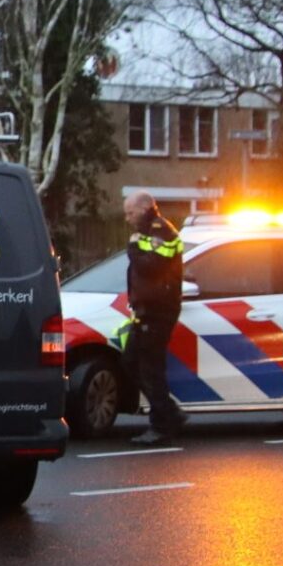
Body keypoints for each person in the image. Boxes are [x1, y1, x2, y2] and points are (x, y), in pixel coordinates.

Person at [119, 189, 185, 446]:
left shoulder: (161, 230)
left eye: (130, 213)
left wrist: (133, 247)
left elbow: (152, 266)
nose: (127, 219)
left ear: (144, 208)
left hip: (158, 311)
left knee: (150, 370)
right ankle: (170, 413)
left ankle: (162, 425)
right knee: (131, 362)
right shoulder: (149, 231)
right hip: (147, 311)